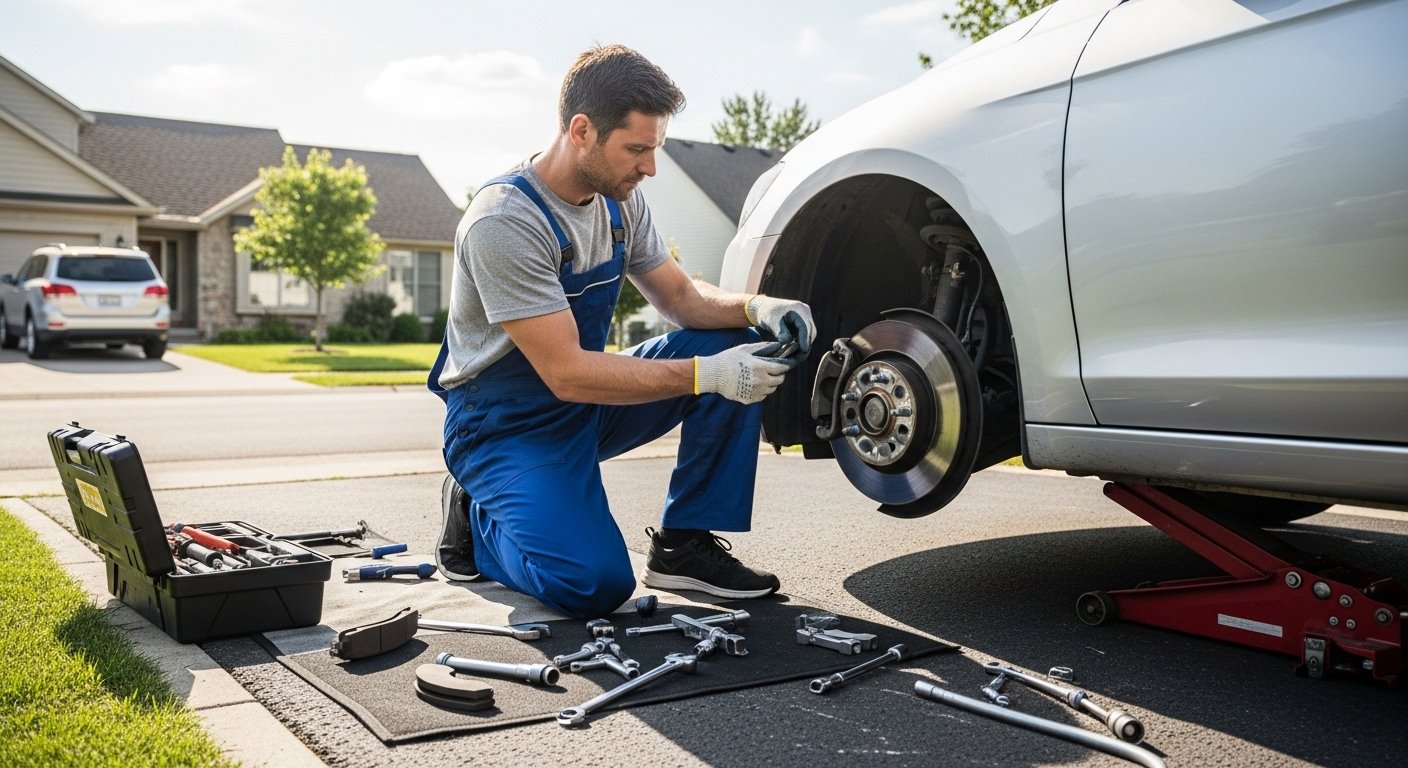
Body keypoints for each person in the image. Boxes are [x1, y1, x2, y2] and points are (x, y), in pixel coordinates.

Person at [428, 44, 815, 620]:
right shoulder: (505, 221)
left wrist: (756, 307)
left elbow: (683, 299)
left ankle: (684, 545)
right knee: (595, 586)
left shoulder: (618, 205)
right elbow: (564, 372)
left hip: (584, 405)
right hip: (506, 426)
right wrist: (707, 376)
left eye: (653, 149)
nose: (650, 167)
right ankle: (478, 519)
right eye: (637, 149)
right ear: (581, 130)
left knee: (733, 343)